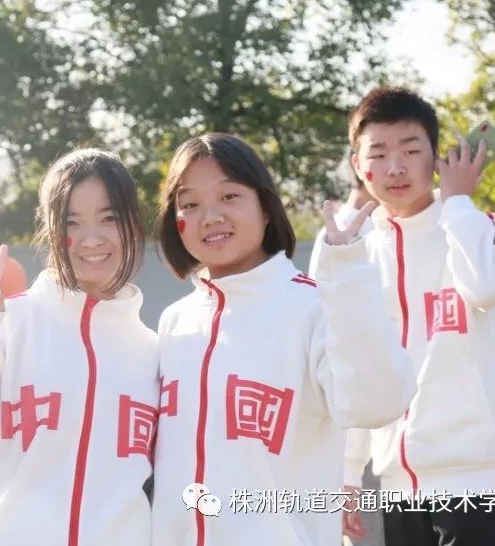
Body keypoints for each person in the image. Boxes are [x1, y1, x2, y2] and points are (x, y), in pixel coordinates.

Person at [150, 132, 415, 546]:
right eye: (190, 204)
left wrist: (348, 275)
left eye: (229, 196)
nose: (211, 216)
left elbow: (376, 403)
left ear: (266, 208)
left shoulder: (314, 307)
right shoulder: (175, 322)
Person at [0, 149, 158, 545]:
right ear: (49, 229)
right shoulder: (3, 326)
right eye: (71, 222)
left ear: (133, 225)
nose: (91, 239)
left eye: (109, 219)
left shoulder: (153, 352)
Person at [328, 87, 495, 546]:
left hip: (482, 474)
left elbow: (485, 288)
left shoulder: (488, 229)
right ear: (358, 165)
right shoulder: (357, 254)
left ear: (437, 157)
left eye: (410, 150)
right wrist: (348, 473)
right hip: (399, 480)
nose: (395, 167)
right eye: (378, 154)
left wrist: (459, 203)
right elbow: (357, 366)